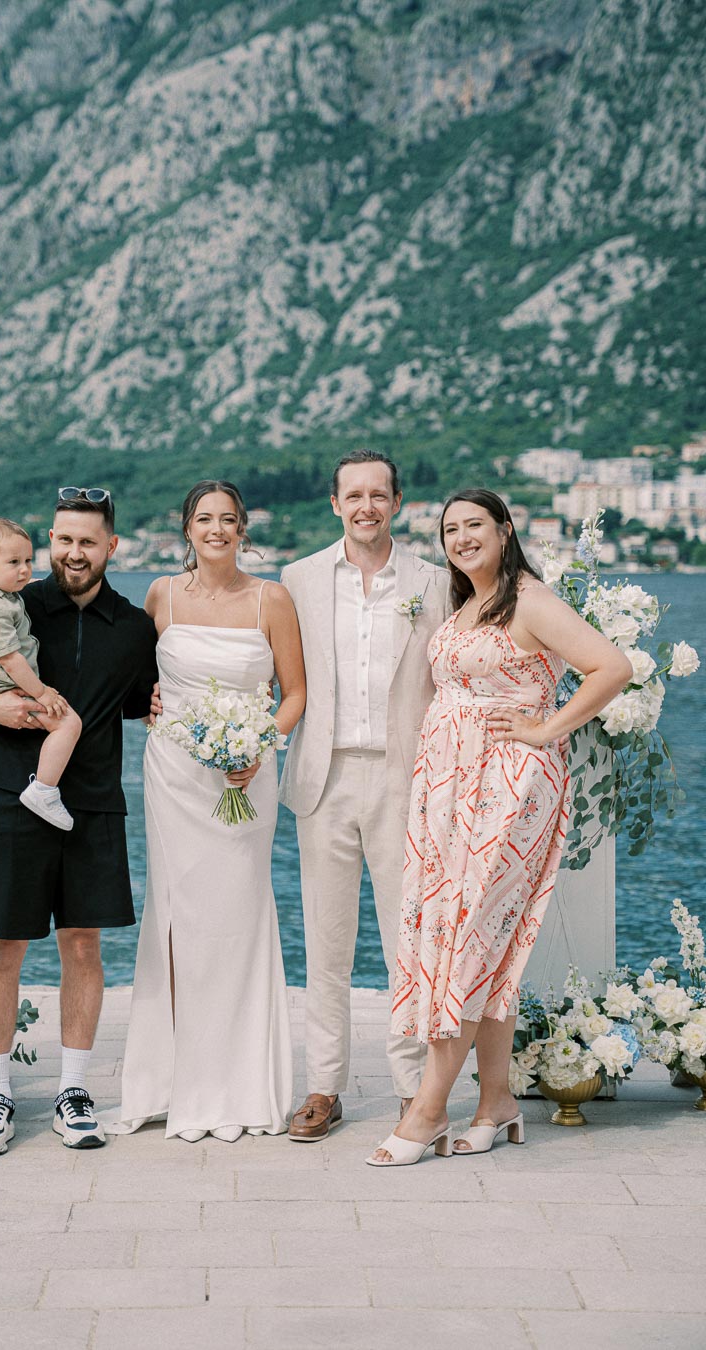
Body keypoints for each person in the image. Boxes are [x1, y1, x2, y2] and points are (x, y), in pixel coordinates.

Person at [367, 487, 632, 1166]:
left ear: (505, 528)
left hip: (510, 787)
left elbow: (612, 666)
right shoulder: (467, 607)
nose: (461, 538)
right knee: (481, 944)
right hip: (450, 789)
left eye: (474, 525)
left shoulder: (528, 597)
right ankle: (497, 1103)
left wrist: (547, 728)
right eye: (451, 529)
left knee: (471, 938)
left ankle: (427, 1111)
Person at [0, 487, 158, 1157]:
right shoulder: (16, 603)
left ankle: (72, 1091)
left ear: (111, 546)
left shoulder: (134, 626)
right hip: (9, 795)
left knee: (84, 949)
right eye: (62, 539)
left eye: (87, 541)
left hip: (90, 802)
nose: (72, 552)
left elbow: (149, 705)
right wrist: (0, 711)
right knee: (1, 950)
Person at [103, 480, 305, 1142]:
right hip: (174, 776)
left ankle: (242, 1086)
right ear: (185, 528)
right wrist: (146, 703)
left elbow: (296, 692)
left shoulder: (271, 598)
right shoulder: (162, 594)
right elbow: (136, 678)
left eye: (227, 519)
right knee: (179, 915)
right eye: (203, 519)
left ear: (243, 529)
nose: (215, 529)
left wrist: (260, 744)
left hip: (246, 777)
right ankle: (172, 1084)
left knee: (239, 915)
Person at [279, 450, 449, 1141]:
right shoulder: (298, 579)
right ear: (335, 503)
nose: (366, 506)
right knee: (326, 943)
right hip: (323, 776)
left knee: (407, 943)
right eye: (355, 495)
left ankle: (413, 1088)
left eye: (379, 495)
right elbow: (274, 668)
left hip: (405, 777)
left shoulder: (435, 583)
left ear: (398, 502)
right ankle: (324, 1087)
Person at [0, 515, 82, 836]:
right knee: (68, 723)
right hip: (3, 688)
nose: (24, 570)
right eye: (13, 562)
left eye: (27, 561)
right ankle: (44, 790)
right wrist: (41, 693)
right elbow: (10, 660)